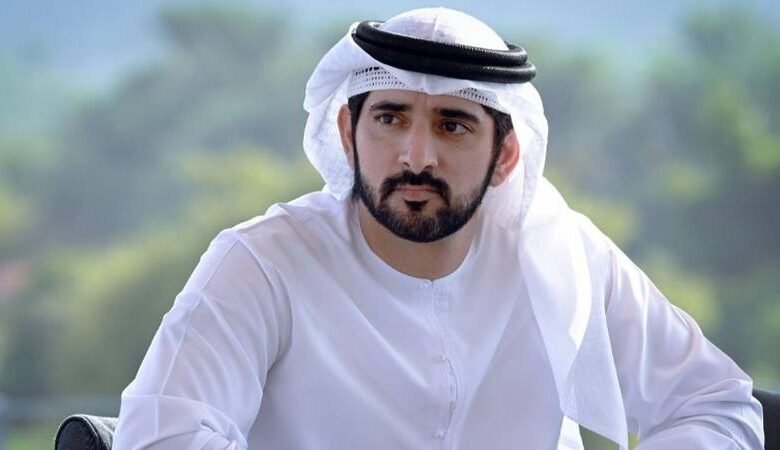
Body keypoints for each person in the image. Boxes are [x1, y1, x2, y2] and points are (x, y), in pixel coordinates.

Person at [113, 7, 764, 449]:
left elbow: (717, 406)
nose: (416, 156)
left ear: (505, 155)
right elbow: (161, 437)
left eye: (453, 125)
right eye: (390, 118)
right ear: (348, 133)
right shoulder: (263, 263)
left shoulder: (563, 253)